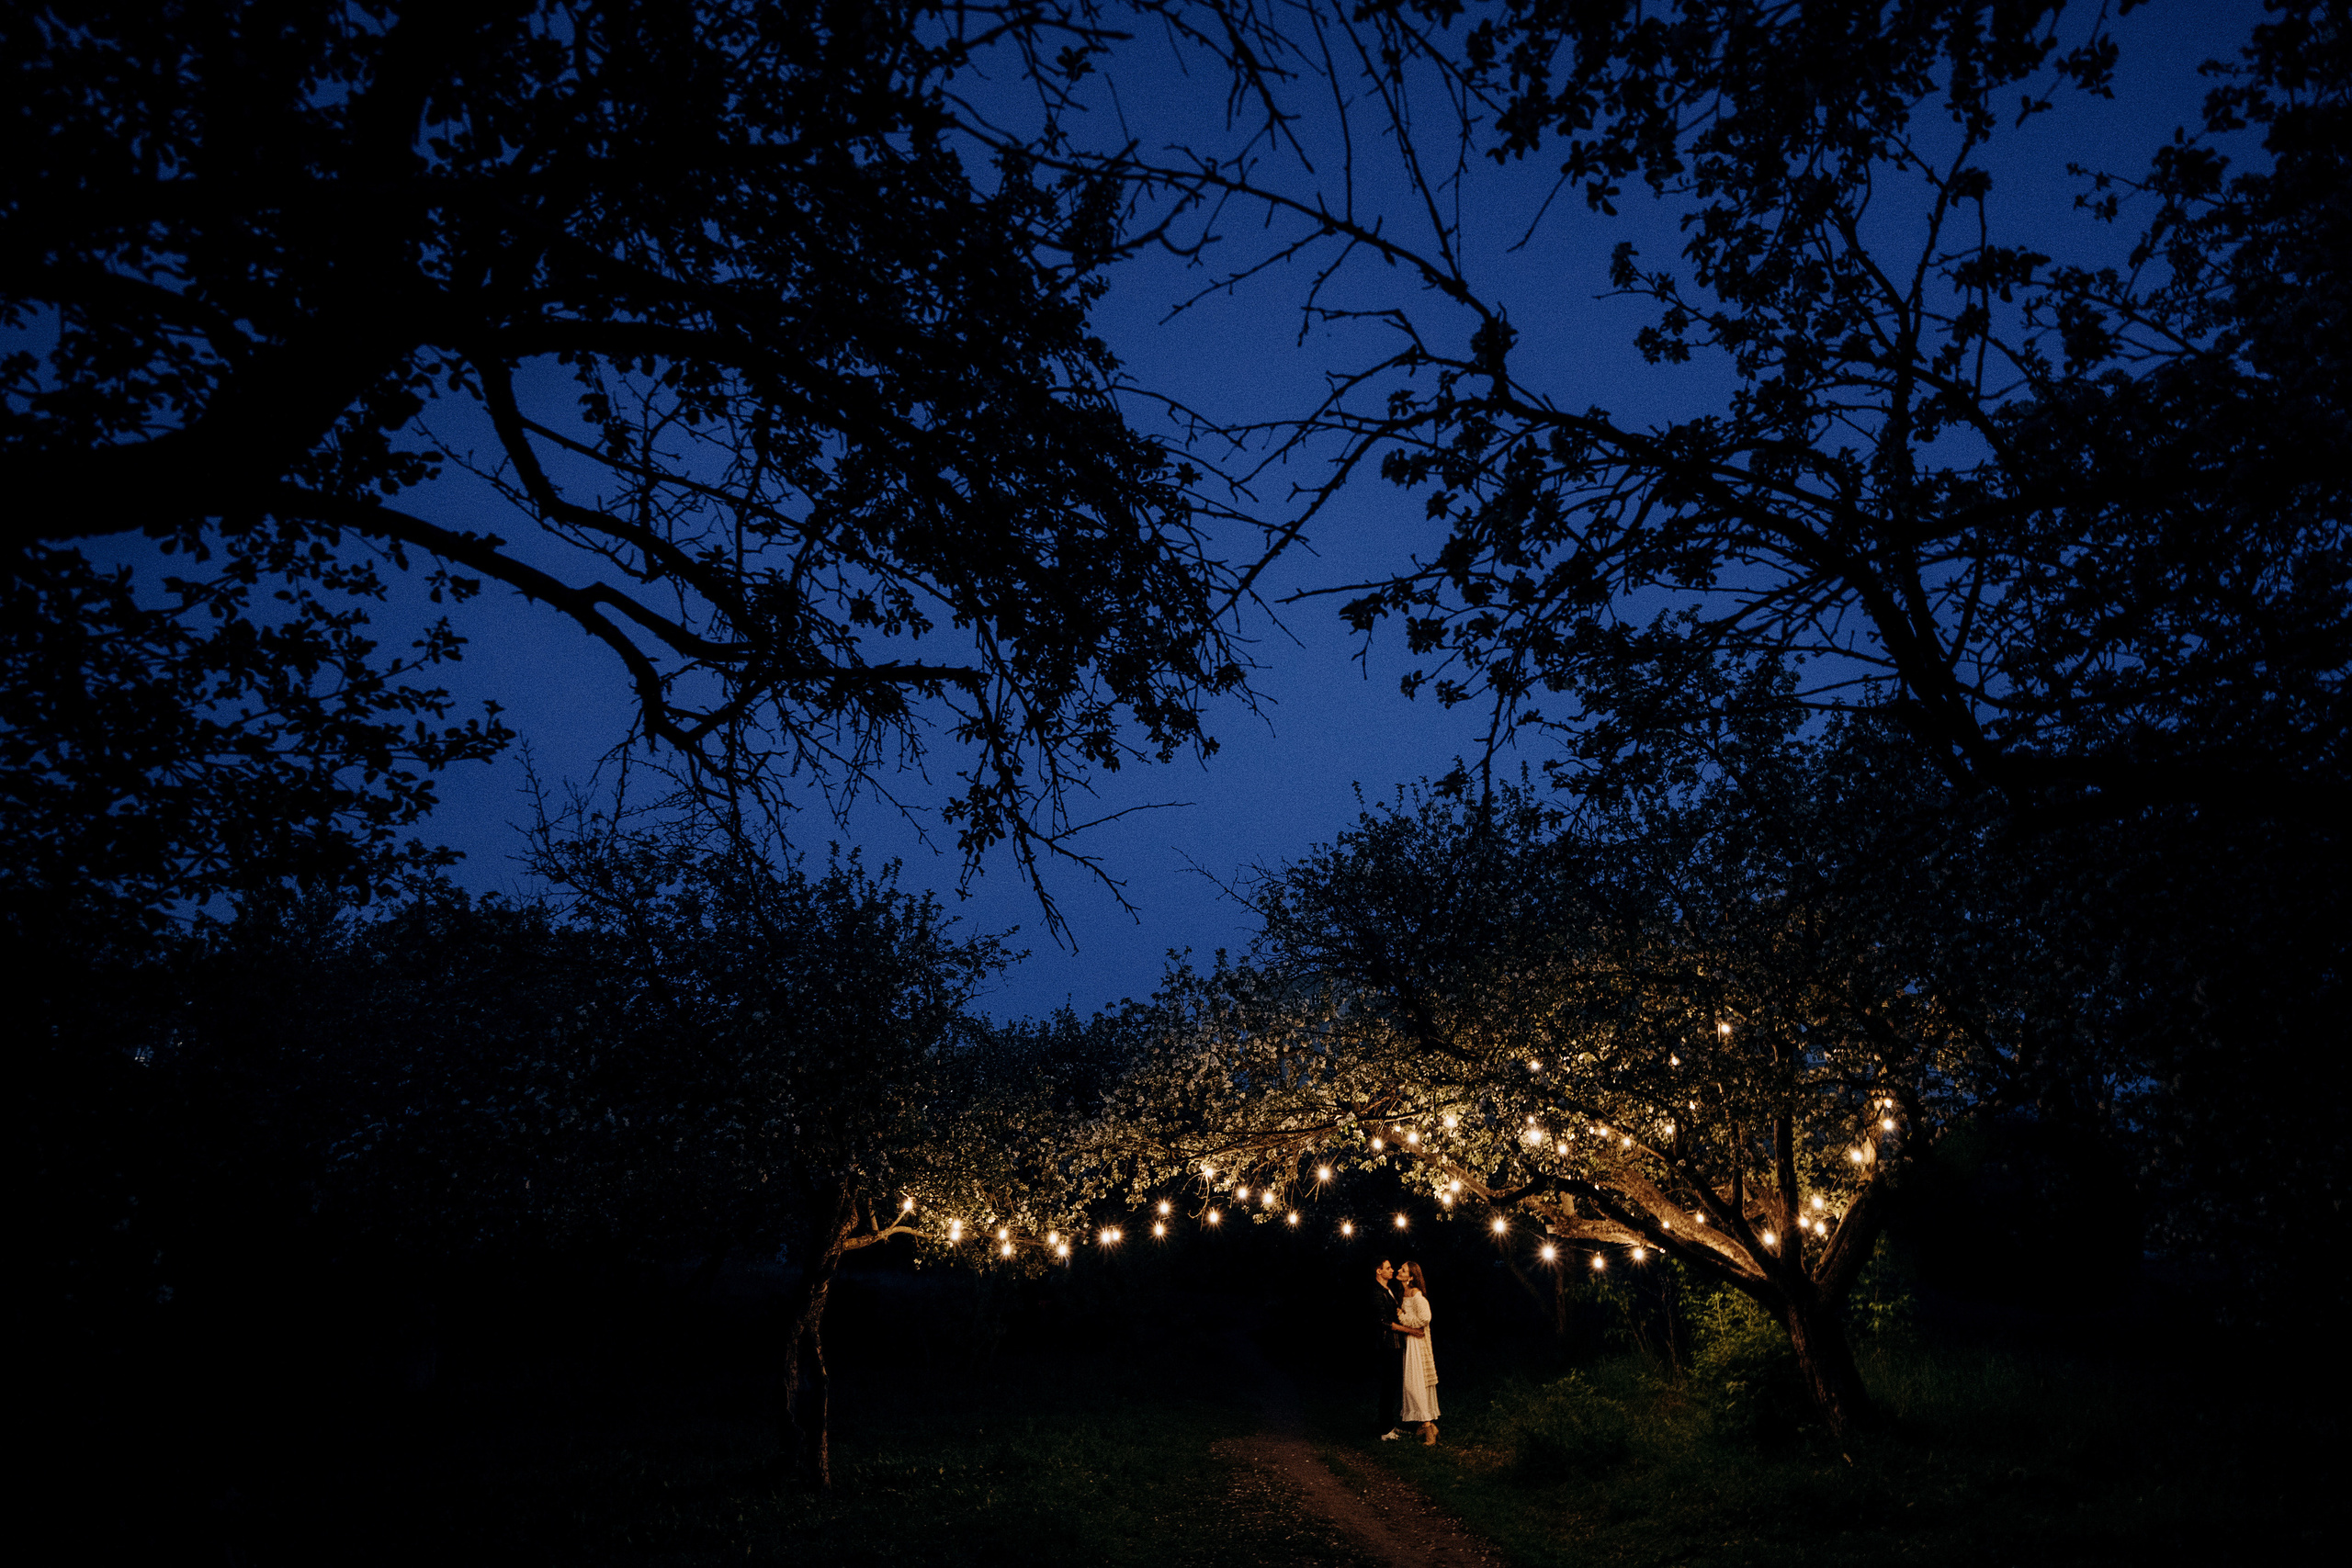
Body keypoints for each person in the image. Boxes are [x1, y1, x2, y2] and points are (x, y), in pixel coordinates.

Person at [1397, 1260, 1440, 1444]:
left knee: (1414, 1384)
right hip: (1409, 1341)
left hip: (1418, 1343)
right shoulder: (1404, 1293)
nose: (1399, 1270)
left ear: (1411, 1276)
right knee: (1411, 1384)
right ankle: (1428, 1426)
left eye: (1403, 1269)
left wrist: (1402, 1318)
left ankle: (1428, 1427)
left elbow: (1424, 1319)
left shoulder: (1416, 1294)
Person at [1370, 1258, 1406, 1439]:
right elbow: (1383, 1321)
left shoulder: (1388, 1290)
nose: (1392, 1270)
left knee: (1392, 1386)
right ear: (1379, 1271)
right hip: (1387, 1345)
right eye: (1388, 1268)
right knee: (1388, 1386)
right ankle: (1385, 1430)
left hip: (1395, 1344)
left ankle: (1390, 1425)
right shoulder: (1377, 1292)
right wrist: (1410, 1330)